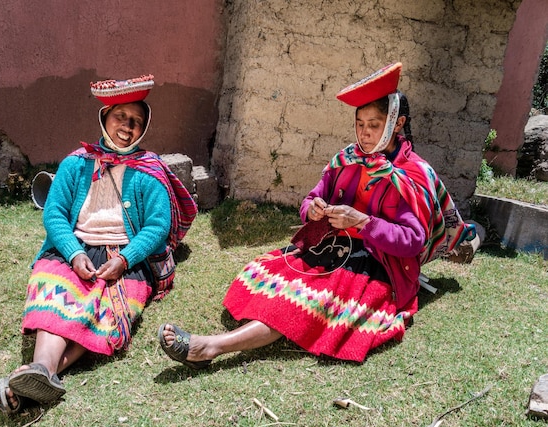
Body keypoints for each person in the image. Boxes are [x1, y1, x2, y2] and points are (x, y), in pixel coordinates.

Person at [158, 62, 474, 369]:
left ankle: (212, 346)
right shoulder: (347, 159)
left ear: (398, 124)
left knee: (307, 302)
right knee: (276, 275)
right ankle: (241, 333)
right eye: (360, 124)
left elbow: (412, 242)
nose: (364, 134)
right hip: (332, 247)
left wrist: (362, 222)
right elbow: (311, 198)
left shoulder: (412, 173)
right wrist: (314, 208)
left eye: (374, 125)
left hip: (377, 265)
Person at [0, 75, 197, 415]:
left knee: (103, 311)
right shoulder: (76, 163)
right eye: (121, 116)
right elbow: (56, 215)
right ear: (105, 117)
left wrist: (125, 258)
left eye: (136, 121)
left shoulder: (150, 171)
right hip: (71, 250)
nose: (127, 127)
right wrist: (74, 253)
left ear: (143, 129)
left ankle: (35, 376)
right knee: (57, 294)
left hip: (126, 259)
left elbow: (157, 226)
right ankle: (43, 371)